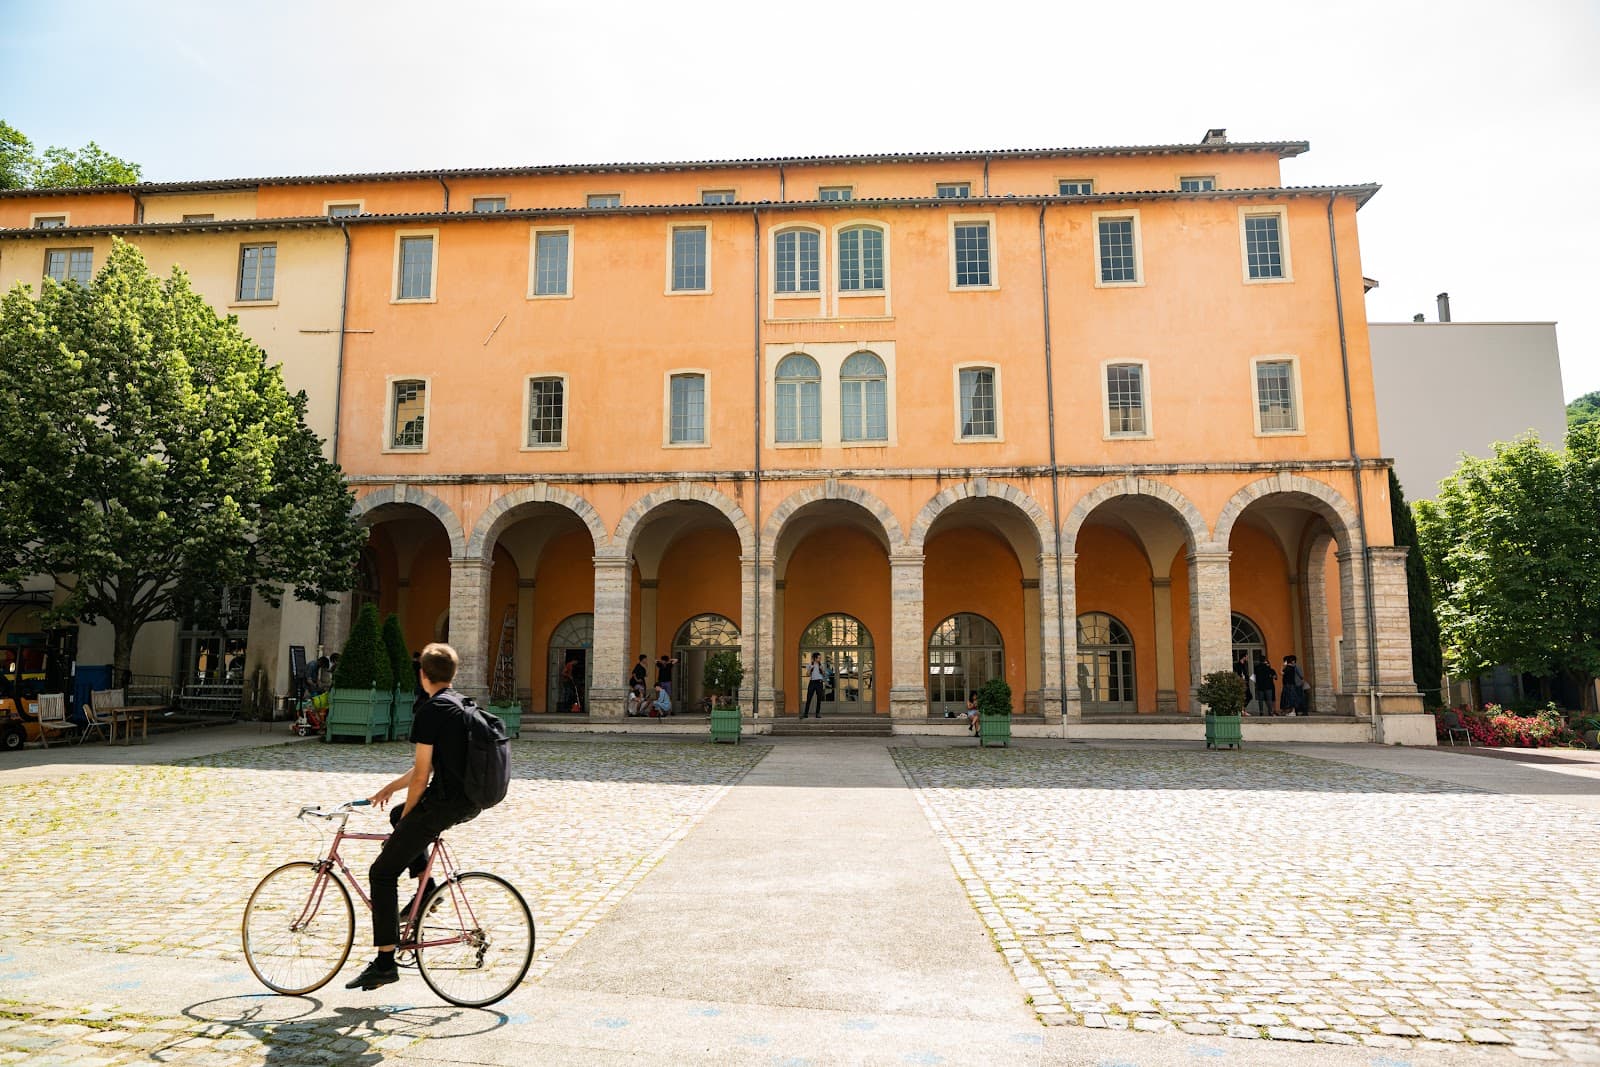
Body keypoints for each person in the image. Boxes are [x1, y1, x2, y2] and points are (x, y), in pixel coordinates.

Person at [346, 642, 483, 992]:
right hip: (467, 800)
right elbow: (428, 766)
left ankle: (384, 962)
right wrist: (390, 788)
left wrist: (406, 824)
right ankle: (427, 886)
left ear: (422, 675)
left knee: (381, 872)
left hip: (444, 803)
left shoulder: (430, 711)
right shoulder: (459, 704)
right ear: (452, 674)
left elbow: (422, 778)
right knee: (397, 814)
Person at [800, 652, 826, 719]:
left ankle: (817, 713)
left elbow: (824, 674)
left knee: (819, 699)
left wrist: (821, 669)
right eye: (819, 658)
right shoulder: (810, 664)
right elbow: (807, 674)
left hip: (819, 682)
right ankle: (805, 714)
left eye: (820, 658)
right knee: (809, 698)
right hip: (812, 682)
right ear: (815, 658)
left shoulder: (821, 664)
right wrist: (810, 668)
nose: (820, 659)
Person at [1252, 652, 1277, 717]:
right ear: (1265, 660)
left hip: (1260, 686)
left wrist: (1256, 684)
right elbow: (1273, 676)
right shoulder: (1268, 667)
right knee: (1269, 700)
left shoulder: (1256, 668)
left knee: (1260, 700)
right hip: (1268, 686)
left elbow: (1254, 677)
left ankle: (1261, 712)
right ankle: (1270, 712)